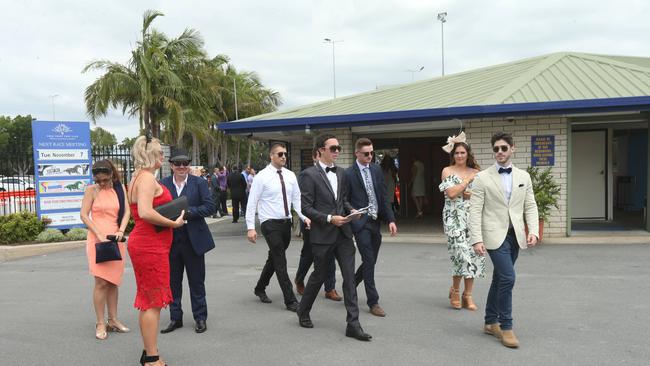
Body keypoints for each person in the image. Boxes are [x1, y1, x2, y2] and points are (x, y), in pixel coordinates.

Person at [297, 133, 371, 341]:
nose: (337, 151)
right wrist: (330, 218)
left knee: (349, 278)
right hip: (323, 234)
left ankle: (353, 324)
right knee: (319, 276)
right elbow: (305, 207)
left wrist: (353, 211)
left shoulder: (342, 173)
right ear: (321, 150)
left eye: (338, 148)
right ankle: (303, 310)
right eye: (333, 148)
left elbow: (343, 201)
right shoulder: (308, 175)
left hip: (344, 234)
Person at [469, 131, 539, 349]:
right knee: (508, 278)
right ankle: (506, 327)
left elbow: (530, 205)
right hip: (493, 235)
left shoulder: (523, 177)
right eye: (496, 149)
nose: (499, 152)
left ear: (512, 148)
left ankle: (490, 322)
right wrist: (476, 239)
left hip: (514, 235)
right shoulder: (482, 177)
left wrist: (533, 230)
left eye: (503, 148)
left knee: (499, 279)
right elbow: (475, 210)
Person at [127, 135, 185, 366]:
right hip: (149, 245)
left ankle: (149, 352)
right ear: (149, 154)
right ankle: (152, 358)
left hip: (149, 243)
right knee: (153, 301)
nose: (164, 156)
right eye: (160, 152)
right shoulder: (148, 179)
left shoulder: (137, 178)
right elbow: (145, 212)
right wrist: (174, 224)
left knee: (148, 299)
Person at [246, 143, 311, 311]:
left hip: (285, 223)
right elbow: (252, 202)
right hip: (269, 223)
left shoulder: (290, 175)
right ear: (271, 156)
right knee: (280, 261)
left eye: (285, 154)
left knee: (274, 258)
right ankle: (290, 301)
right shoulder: (261, 176)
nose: (283, 157)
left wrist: (303, 217)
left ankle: (260, 288)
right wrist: (250, 227)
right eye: (280, 154)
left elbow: (296, 199)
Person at [160, 149, 216, 334]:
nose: (182, 166)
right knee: (173, 282)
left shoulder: (199, 182)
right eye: (178, 163)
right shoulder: (163, 184)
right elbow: (157, 209)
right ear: (171, 165)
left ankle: (200, 317)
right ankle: (175, 318)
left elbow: (209, 206)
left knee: (197, 282)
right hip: (171, 240)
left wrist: (187, 213)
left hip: (194, 240)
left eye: (185, 163)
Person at [345, 138, 397, 317]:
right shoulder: (349, 173)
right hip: (361, 224)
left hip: (376, 222)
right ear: (357, 153)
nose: (370, 156)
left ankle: (349, 287)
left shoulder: (376, 169)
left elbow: (383, 196)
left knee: (370, 261)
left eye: (372, 153)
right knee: (368, 259)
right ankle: (373, 301)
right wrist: (351, 210)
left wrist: (391, 219)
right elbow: (344, 198)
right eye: (366, 153)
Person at [80, 159, 131, 340]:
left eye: (104, 179)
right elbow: (84, 215)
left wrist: (121, 230)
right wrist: (98, 233)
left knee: (113, 281)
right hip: (97, 239)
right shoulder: (91, 191)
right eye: (98, 180)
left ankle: (113, 320)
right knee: (101, 282)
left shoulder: (119, 188)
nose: (101, 183)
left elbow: (126, 212)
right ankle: (100, 322)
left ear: (111, 174)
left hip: (116, 239)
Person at [439, 132, 485, 311]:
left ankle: (468, 295)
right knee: (460, 253)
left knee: (473, 254)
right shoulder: (447, 171)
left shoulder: (477, 172)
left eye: (462, 153)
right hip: (453, 217)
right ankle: (456, 291)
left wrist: (468, 194)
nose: (459, 156)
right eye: (456, 153)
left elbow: (480, 196)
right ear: (453, 155)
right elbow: (450, 194)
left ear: (468, 154)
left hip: (471, 217)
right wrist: (465, 183)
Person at [295, 147, 342, 302]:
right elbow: (303, 202)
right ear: (316, 156)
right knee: (308, 255)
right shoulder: (307, 175)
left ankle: (330, 288)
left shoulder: (335, 173)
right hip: (311, 223)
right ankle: (299, 279)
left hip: (330, 223)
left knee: (330, 257)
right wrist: (304, 218)